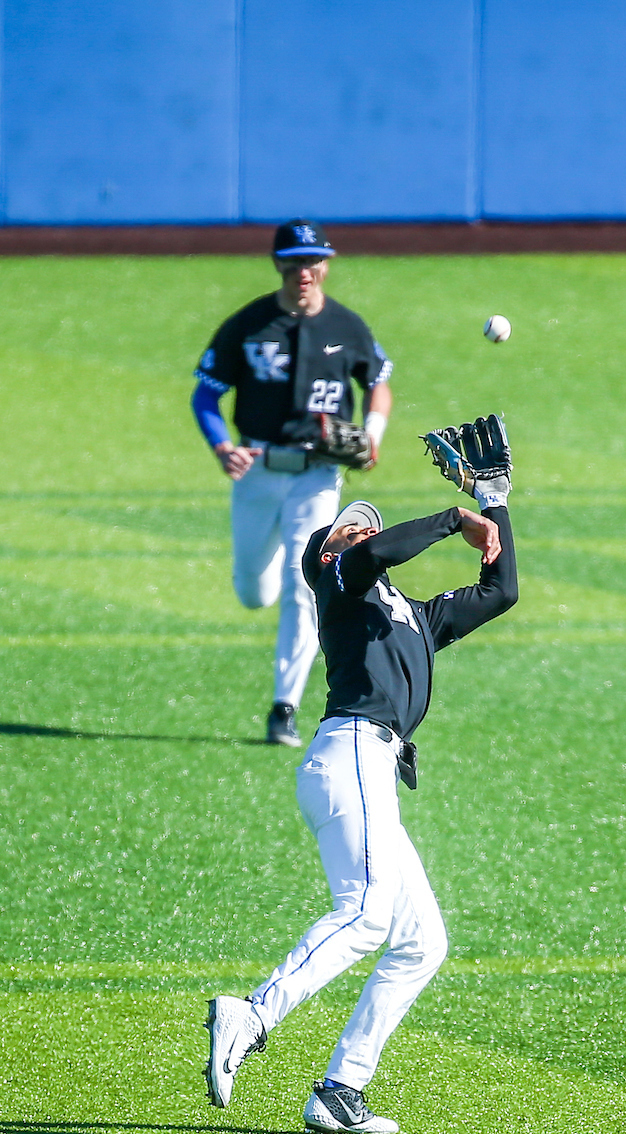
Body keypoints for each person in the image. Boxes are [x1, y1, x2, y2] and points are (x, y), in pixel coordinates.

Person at [204, 422, 517, 1134]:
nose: (356, 532)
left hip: (366, 767)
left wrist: (494, 501)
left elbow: (501, 591)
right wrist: (448, 518)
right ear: (326, 554)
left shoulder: (411, 615)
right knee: (368, 911)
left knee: (419, 940)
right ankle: (252, 1014)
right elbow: (375, 550)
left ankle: (340, 1090)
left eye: (359, 527)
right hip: (348, 754)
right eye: (345, 529)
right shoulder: (338, 584)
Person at [191, 219, 393, 747]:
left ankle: (285, 706)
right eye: (294, 260)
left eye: (313, 260)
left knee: (305, 588)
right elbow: (205, 394)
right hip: (258, 472)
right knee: (252, 591)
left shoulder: (347, 326)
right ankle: (274, 575)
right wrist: (220, 446)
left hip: (318, 476)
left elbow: (378, 384)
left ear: (325, 265)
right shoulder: (249, 325)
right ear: (278, 263)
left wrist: (372, 435)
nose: (304, 271)